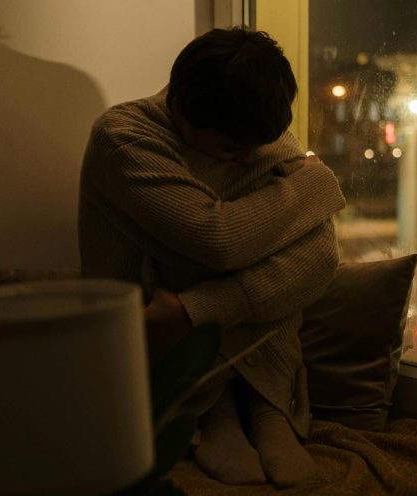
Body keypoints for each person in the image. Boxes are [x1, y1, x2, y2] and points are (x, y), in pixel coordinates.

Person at [78, 27, 344, 488]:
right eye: (230, 150)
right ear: (180, 109)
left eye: (259, 146)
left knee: (275, 236)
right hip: (152, 343)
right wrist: (316, 184)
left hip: (181, 320)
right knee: (189, 245)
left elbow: (322, 253)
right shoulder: (123, 137)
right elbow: (218, 241)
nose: (247, 158)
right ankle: (215, 410)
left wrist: (196, 311)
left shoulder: (251, 121)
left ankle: (266, 407)